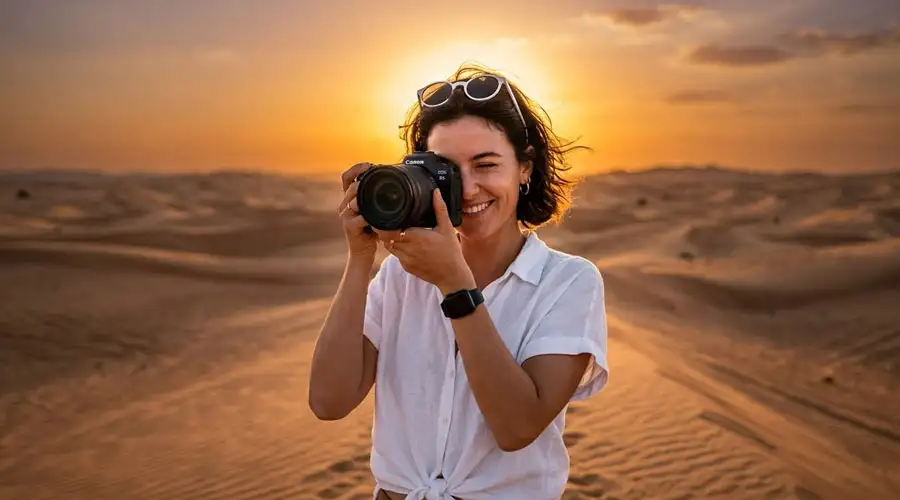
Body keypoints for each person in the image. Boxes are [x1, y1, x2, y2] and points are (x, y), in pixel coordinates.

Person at [308, 62, 609, 500]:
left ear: (524, 168)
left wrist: (455, 287)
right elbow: (328, 402)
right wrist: (360, 259)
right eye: (445, 171)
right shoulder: (399, 276)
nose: (467, 190)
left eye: (485, 165)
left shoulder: (567, 282)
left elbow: (517, 427)